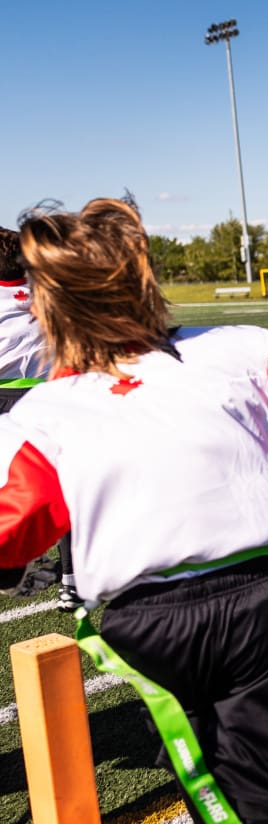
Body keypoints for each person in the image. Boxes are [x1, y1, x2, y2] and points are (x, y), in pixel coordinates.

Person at [0, 196, 268, 823]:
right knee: (267, 804)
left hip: (146, 623)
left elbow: (10, 531)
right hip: (260, 604)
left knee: (214, 801)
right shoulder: (241, 347)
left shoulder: (41, 414)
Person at [0, 226, 67, 602]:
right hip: (49, 396)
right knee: (64, 482)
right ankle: (73, 574)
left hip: (5, 397)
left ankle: (14, 559)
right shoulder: (47, 292)